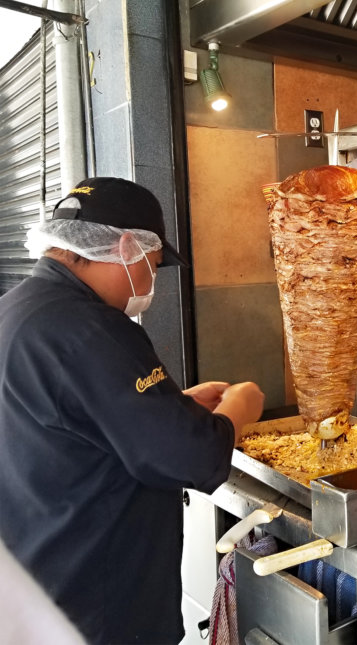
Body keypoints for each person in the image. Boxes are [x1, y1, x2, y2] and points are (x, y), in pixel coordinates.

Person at [0, 177, 265, 643]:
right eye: (155, 265)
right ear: (127, 248)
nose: (150, 282)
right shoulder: (92, 328)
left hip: (40, 577)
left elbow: (71, 420)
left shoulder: (18, 311)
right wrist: (239, 410)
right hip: (99, 602)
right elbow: (191, 457)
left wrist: (174, 405)